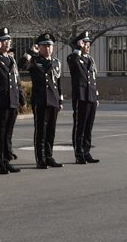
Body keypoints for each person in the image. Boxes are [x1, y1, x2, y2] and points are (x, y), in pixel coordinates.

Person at [0, 27, 24, 174]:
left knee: (8, 134)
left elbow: (16, 79)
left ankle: (6, 160)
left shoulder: (10, 59)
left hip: (11, 100)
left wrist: (21, 97)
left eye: (8, 40)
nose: (7, 43)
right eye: (3, 41)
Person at [27, 34, 63, 168]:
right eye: (44, 46)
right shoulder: (35, 61)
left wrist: (60, 100)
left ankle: (49, 156)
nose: (47, 49)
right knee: (41, 132)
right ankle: (40, 159)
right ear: (39, 47)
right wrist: (31, 52)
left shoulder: (56, 62)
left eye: (50, 46)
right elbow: (22, 64)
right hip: (40, 100)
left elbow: (58, 83)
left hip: (53, 100)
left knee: (51, 132)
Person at [66, 30, 100, 164]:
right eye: (85, 43)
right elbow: (74, 61)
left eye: (88, 43)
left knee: (88, 126)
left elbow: (93, 79)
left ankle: (86, 151)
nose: (87, 46)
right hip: (81, 96)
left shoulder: (90, 59)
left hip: (90, 96)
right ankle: (79, 153)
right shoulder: (73, 58)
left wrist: (96, 96)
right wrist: (78, 49)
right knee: (79, 126)